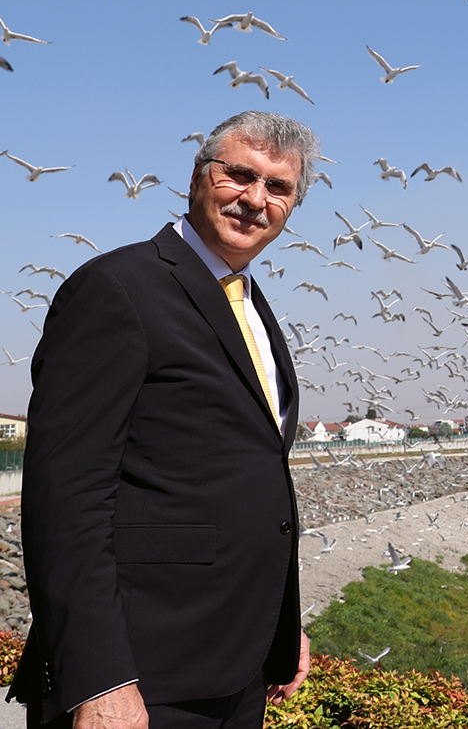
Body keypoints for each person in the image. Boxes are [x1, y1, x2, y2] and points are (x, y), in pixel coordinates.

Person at [10, 111, 319, 728]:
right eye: (239, 176)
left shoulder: (250, 304)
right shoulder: (117, 290)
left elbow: (240, 476)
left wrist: (282, 627)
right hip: (146, 677)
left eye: (278, 188)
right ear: (198, 177)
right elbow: (65, 498)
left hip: (239, 668)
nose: (255, 200)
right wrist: (101, 681)